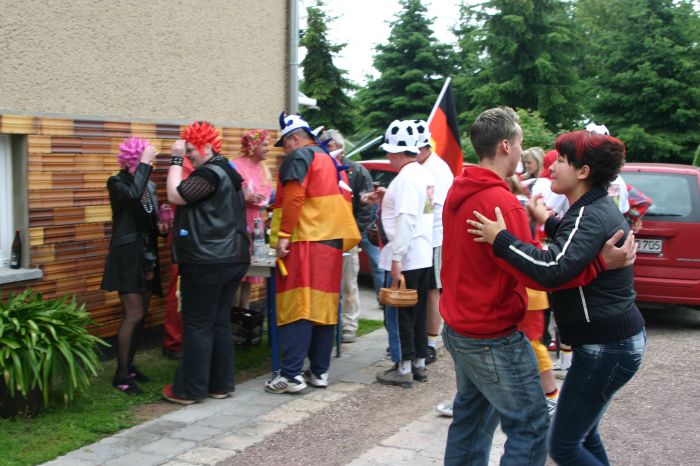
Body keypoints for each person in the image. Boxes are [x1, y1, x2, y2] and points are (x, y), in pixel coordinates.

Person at [469, 129, 646, 465]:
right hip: (612, 342)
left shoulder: (589, 214)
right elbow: (575, 241)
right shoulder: (591, 208)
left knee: (563, 446)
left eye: (561, 160)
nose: (551, 166)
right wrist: (546, 220)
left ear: (583, 172)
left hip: (607, 347)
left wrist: (500, 239)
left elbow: (552, 269)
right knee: (583, 436)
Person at [265, 112, 360, 393]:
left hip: (305, 239)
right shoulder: (328, 158)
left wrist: (283, 235)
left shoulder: (299, 157)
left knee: (299, 306)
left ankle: (291, 375)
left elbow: (295, 197)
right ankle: (319, 372)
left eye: (285, 143)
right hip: (330, 242)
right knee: (323, 308)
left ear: (295, 139)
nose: (284, 150)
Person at [161, 121, 251, 404]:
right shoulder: (229, 172)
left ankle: (189, 390)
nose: (189, 156)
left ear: (208, 147)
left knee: (198, 324)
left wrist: (175, 160)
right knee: (219, 322)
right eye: (186, 152)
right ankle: (219, 385)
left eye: (192, 151)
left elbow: (175, 195)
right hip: (233, 257)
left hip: (207, 260)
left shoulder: (210, 173)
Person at [367, 119, 434, 388]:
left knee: (401, 314)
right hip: (423, 252)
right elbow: (424, 213)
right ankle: (419, 363)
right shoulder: (423, 175)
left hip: (407, 255)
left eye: (389, 152)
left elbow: (406, 219)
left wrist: (396, 259)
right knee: (418, 312)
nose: (387, 157)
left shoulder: (405, 178)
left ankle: (404, 367)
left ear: (396, 151)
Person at [102, 137, 167, 394]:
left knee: (143, 315)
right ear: (134, 159)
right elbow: (132, 195)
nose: (150, 163)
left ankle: (129, 366)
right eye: (145, 159)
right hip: (128, 257)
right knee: (134, 314)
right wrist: (145, 165)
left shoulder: (148, 184)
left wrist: (161, 227)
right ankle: (120, 376)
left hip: (147, 256)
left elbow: (149, 220)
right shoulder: (117, 183)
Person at [319, 129, 374, 343]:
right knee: (325, 283)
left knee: (349, 283)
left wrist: (354, 234)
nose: (325, 150)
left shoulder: (357, 172)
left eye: (329, 146)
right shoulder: (321, 169)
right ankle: (327, 322)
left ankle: (349, 325)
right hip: (324, 235)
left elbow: (365, 208)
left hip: (347, 235)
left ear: (339, 147)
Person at [412, 119, 453, 364]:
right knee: (426, 290)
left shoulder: (435, 169)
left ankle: (430, 343)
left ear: (422, 148)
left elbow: (430, 206)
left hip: (434, 237)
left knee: (431, 290)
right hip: (426, 236)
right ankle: (422, 340)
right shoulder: (425, 166)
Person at [232, 129, 273, 313]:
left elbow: (267, 197)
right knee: (237, 275)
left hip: (256, 224)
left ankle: (245, 313)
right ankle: (233, 314)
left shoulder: (264, 170)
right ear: (253, 145)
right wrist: (245, 197)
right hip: (239, 222)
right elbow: (228, 194)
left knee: (251, 273)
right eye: (264, 145)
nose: (268, 149)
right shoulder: (236, 165)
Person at [161, 156, 194, 361]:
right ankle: (174, 341)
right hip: (185, 236)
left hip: (193, 236)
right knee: (179, 290)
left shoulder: (191, 164)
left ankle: (182, 340)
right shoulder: (184, 165)